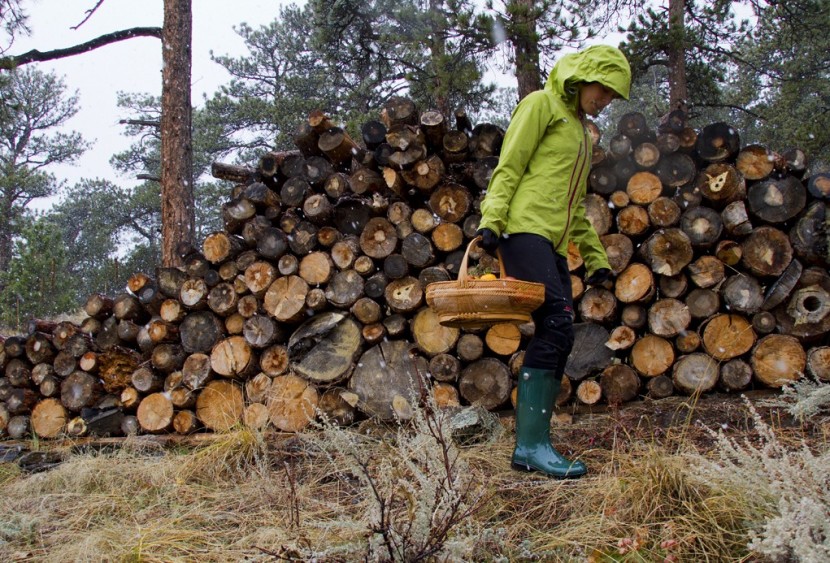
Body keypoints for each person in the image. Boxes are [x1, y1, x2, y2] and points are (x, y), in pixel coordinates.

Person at [476, 45, 631, 478]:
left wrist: (596, 257)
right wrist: (493, 220)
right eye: (604, 90)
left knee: (558, 333)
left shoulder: (582, 134)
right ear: (584, 77)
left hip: (554, 242)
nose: (606, 101)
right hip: (522, 230)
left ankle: (531, 447)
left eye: (613, 97)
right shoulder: (540, 105)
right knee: (558, 323)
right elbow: (510, 165)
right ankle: (531, 446)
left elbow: (575, 206)